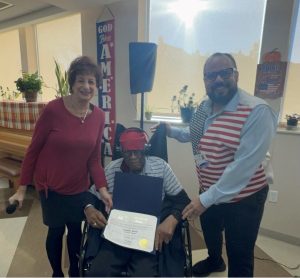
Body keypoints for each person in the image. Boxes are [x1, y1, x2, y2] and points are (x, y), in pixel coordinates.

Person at [153, 53, 277, 277]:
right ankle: (214, 261)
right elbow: (196, 135)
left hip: (244, 197)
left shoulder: (257, 111)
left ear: (236, 75)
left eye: (224, 72)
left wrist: (205, 199)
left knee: (239, 252)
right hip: (209, 189)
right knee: (210, 233)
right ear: (205, 80)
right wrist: (171, 132)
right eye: (211, 75)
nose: (218, 79)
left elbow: (242, 168)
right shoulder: (204, 106)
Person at [9, 56, 112, 277]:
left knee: (76, 230)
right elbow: (33, 150)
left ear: (96, 85)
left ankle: (74, 270)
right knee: (56, 231)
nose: (86, 86)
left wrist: (102, 189)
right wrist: (21, 188)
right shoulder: (53, 110)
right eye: (81, 81)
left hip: (78, 187)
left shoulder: (99, 116)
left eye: (92, 82)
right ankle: (57, 272)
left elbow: (94, 159)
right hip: (51, 187)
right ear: (72, 83)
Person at [82, 127, 191, 277]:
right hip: (118, 235)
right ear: (122, 152)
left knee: (144, 274)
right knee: (97, 273)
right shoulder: (113, 169)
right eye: (128, 153)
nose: (133, 157)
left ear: (145, 149)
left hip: (147, 236)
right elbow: (91, 194)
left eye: (138, 151)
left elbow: (183, 200)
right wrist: (89, 209)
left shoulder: (160, 167)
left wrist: (171, 220)